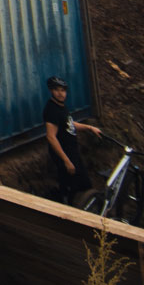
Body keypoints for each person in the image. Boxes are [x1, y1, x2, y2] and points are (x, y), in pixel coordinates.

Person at [43, 74, 101, 202]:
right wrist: (66, 161)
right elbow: (51, 137)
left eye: (63, 90)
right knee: (74, 187)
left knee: (81, 184)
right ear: (51, 90)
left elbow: (69, 123)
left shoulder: (61, 106)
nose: (60, 93)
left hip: (72, 152)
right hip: (65, 154)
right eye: (57, 90)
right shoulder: (52, 110)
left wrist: (90, 128)